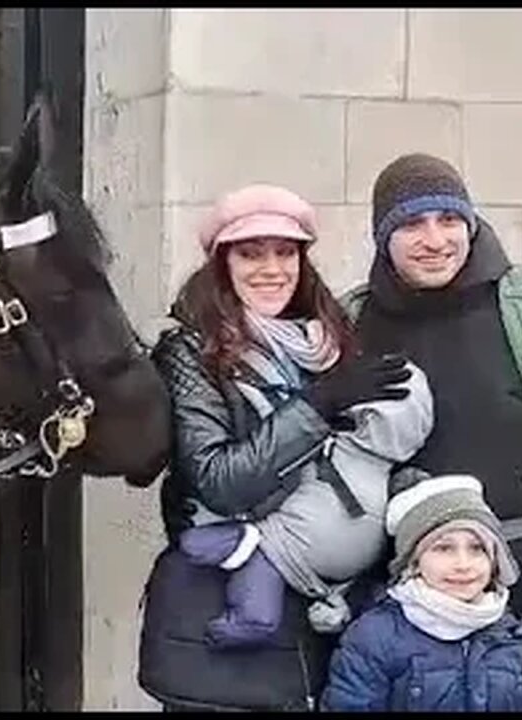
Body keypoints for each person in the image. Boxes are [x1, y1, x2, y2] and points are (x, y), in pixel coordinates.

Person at [137, 184, 420, 711]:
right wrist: (316, 408)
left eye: (285, 252)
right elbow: (219, 481)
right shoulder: (190, 351)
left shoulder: (332, 340)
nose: (271, 268)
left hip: (325, 616)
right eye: (250, 253)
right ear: (222, 264)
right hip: (223, 616)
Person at [346, 153, 522, 690]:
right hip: (396, 631)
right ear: (382, 237)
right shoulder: (351, 325)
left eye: (449, 219)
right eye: (411, 224)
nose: (434, 239)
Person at [322, 473, 522, 711]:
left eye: (478, 548)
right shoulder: (375, 637)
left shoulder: (510, 632)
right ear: (413, 562)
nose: (463, 564)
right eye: (443, 548)